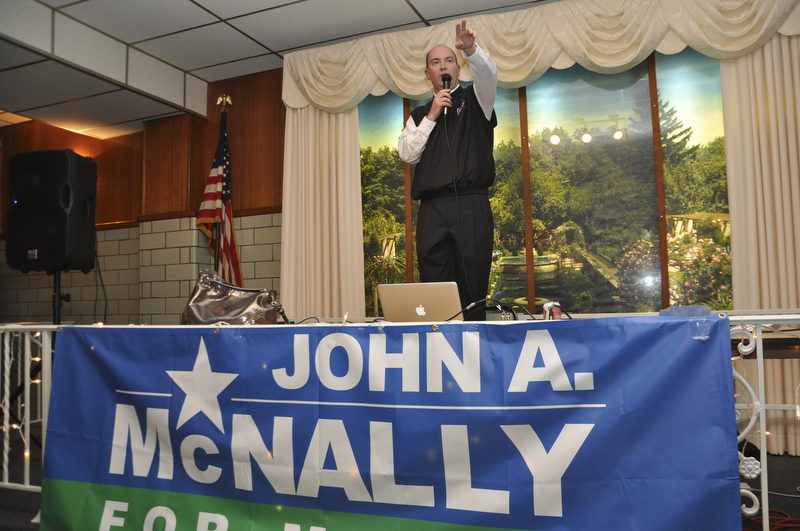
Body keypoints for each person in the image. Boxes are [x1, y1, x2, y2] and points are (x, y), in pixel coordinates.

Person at [397, 19, 498, 320]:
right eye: (436, 62)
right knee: (436, 291)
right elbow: (407, 153)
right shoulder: (419, 115)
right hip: (432, 211)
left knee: (472, 287)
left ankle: (474, 343)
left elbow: (488, 74)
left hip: (471, 204)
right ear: (428, 73)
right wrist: (431, 115)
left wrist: (471, 50)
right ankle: (441, 347)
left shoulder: (478, 98)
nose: (444, 66)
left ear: (458, 68)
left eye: (450, 60)